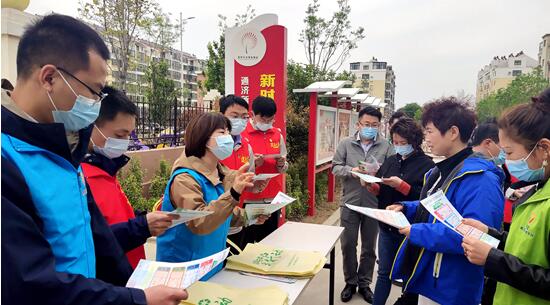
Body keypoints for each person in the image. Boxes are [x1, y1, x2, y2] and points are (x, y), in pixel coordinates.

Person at [1, 14, 187, 305]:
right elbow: (30, 285)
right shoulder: (7, 160)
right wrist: (136, 300)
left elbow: (97, 241)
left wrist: (135, 290)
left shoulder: (63, 150)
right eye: (94, 91)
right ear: (49, 77)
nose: (96, 104)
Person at [387, 97, 504, 305]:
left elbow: (476, 237)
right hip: (429, 278)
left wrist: (417, 232)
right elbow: (437, 207)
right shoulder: (440, 170)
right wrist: (406, 209)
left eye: (430, 131)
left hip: (451, 287)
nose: (426, 137)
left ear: (453, 132)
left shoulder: (481, 179)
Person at [461, 88, 550, 304]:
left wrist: (493, 260)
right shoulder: (537, 189)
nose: (507, 161)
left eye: (509, 153)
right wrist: (490, 235)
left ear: (544, 148)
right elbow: (525, 248)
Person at [156, 112, 268, 280]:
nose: (228, 137)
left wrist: (249, 216)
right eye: (222, 132)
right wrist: (233, 193)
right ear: (203, 137)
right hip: (184, 268)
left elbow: (220, 213)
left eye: (228, 132)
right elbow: (199, 221)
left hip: (210, 263)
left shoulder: (219, 171)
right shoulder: (185, 179)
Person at [81, 86, 177, 269]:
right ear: (90, 124)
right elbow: (90, 243)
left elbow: (116, 219)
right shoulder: (79, 179)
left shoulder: (106, 172)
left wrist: (144, 219)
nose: (124, 142)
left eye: (128, 135)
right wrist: (141, 227)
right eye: (120, 135)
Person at [368, 117, 434, 305]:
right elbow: (382, 189)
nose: (398, 147)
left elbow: (426, 199)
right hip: (386, 226)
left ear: (414, 142)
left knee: (408, 274)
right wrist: (372, 187)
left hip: (409, 230)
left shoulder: (427, 165)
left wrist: (402, 186)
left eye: (403, 143)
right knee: (384, 273)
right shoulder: (391, 161)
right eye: (395, 142)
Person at [332, 106, 394, 303]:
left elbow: (393, 170)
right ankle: (350, 282)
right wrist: (353, 170)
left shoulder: (386, 146)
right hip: (349, 202)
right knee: (348, 244)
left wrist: (378, 174)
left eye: (374, 125)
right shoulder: (346, 144)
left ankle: (365, 283)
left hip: (373, 204)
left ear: (379, 126)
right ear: (358, 124)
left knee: (369, 247)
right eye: (366, 124)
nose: (370, 128)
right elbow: (335, 167)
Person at [241, 96, 288, 243]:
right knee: (248, 242)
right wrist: (254, 163)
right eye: (263, 120)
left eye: (270, 120)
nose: (267, 123)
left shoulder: (277, 134)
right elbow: (235, 168)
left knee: (270, 241)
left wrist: (281, 164)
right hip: (250, 198)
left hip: (273, 198)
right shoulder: (242, 134)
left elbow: (284, 166)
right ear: (252, 115)